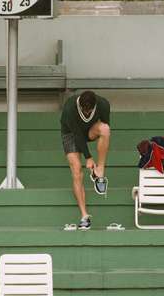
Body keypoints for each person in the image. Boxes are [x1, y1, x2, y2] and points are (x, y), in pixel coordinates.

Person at [61, 90, 110, 230]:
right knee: (77, 170)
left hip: (89, 129)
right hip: (70, 133)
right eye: (85, 111)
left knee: (105, 129)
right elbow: (77, 135)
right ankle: (84, 215)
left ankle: (99, 171)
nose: (88, 113)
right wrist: (88, 157)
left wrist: (95, 162)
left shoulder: (103, 104)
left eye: (90, 111)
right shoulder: (70, 107)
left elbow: (105, 129)